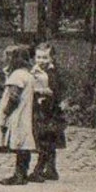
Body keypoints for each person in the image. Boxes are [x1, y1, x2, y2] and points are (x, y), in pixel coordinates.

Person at [0, 43, 38, 185]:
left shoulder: (17, 75)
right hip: (26, 113)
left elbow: (13, 97)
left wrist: (6, 113)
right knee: (24, 145)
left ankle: (18, 175)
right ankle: (22, 173)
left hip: (18, 114)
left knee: (19, 144)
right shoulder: (27, 74)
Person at [29, 43, 66, 182]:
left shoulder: (53, 73)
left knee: (46, 140)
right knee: (46, 140)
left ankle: (39, 170)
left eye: (45, 57)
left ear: (51, 58)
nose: (41, 61)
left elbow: (58, 90)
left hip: (51, 111)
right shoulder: (34, 71)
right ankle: (51, 169)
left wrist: (50, 92)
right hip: (40, 110)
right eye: (38, 57)